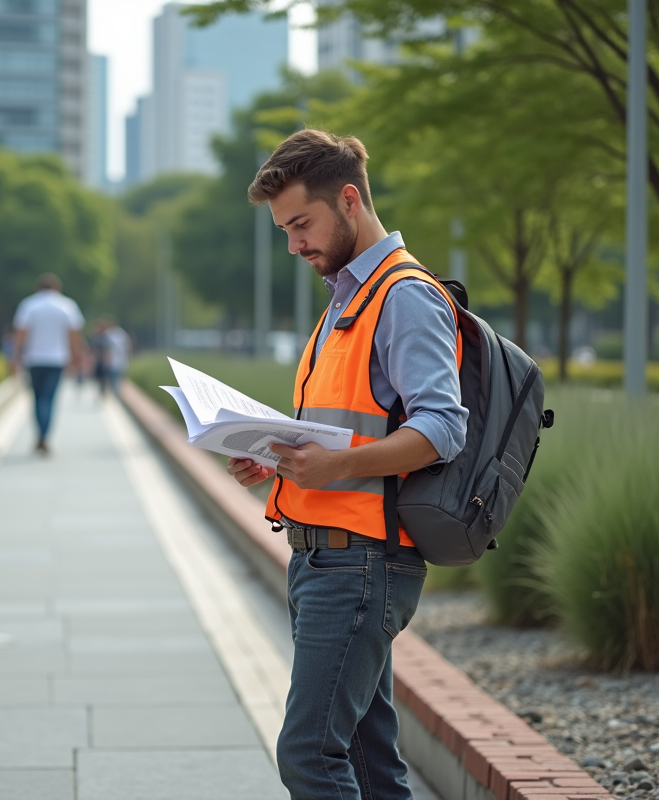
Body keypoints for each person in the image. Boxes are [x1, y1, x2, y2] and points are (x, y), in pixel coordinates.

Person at [226, 129, 467, 800]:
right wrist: (277, 458)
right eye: (284, 229)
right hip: (325, 558)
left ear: (350, 200)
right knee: (369, 765)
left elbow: (443, 428)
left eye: (302, 223)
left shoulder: (404, 295)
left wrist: (334, 469)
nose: (294, 243)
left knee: (308, 755)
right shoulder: (347, 296)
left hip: (361, 562)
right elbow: (350, 427)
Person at [11, 273, 83, 454]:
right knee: (49, 398)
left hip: (34, 358)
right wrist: (76, 358)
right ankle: (45, 435)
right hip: (57, 359)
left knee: (37, 398)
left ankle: (40, 434)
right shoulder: (67, 305)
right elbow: (74, 335)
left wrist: (15, 357)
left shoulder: (28, 305)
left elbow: (20, 334)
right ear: (57, 288)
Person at [98, 316, 131, 398]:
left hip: (114, 361)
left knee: (113, 379)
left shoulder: (109, 334)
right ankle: (116, 394)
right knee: (116, 378)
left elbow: (106, 349)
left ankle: (115, 394)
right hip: (118, 360)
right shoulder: (121, 333)